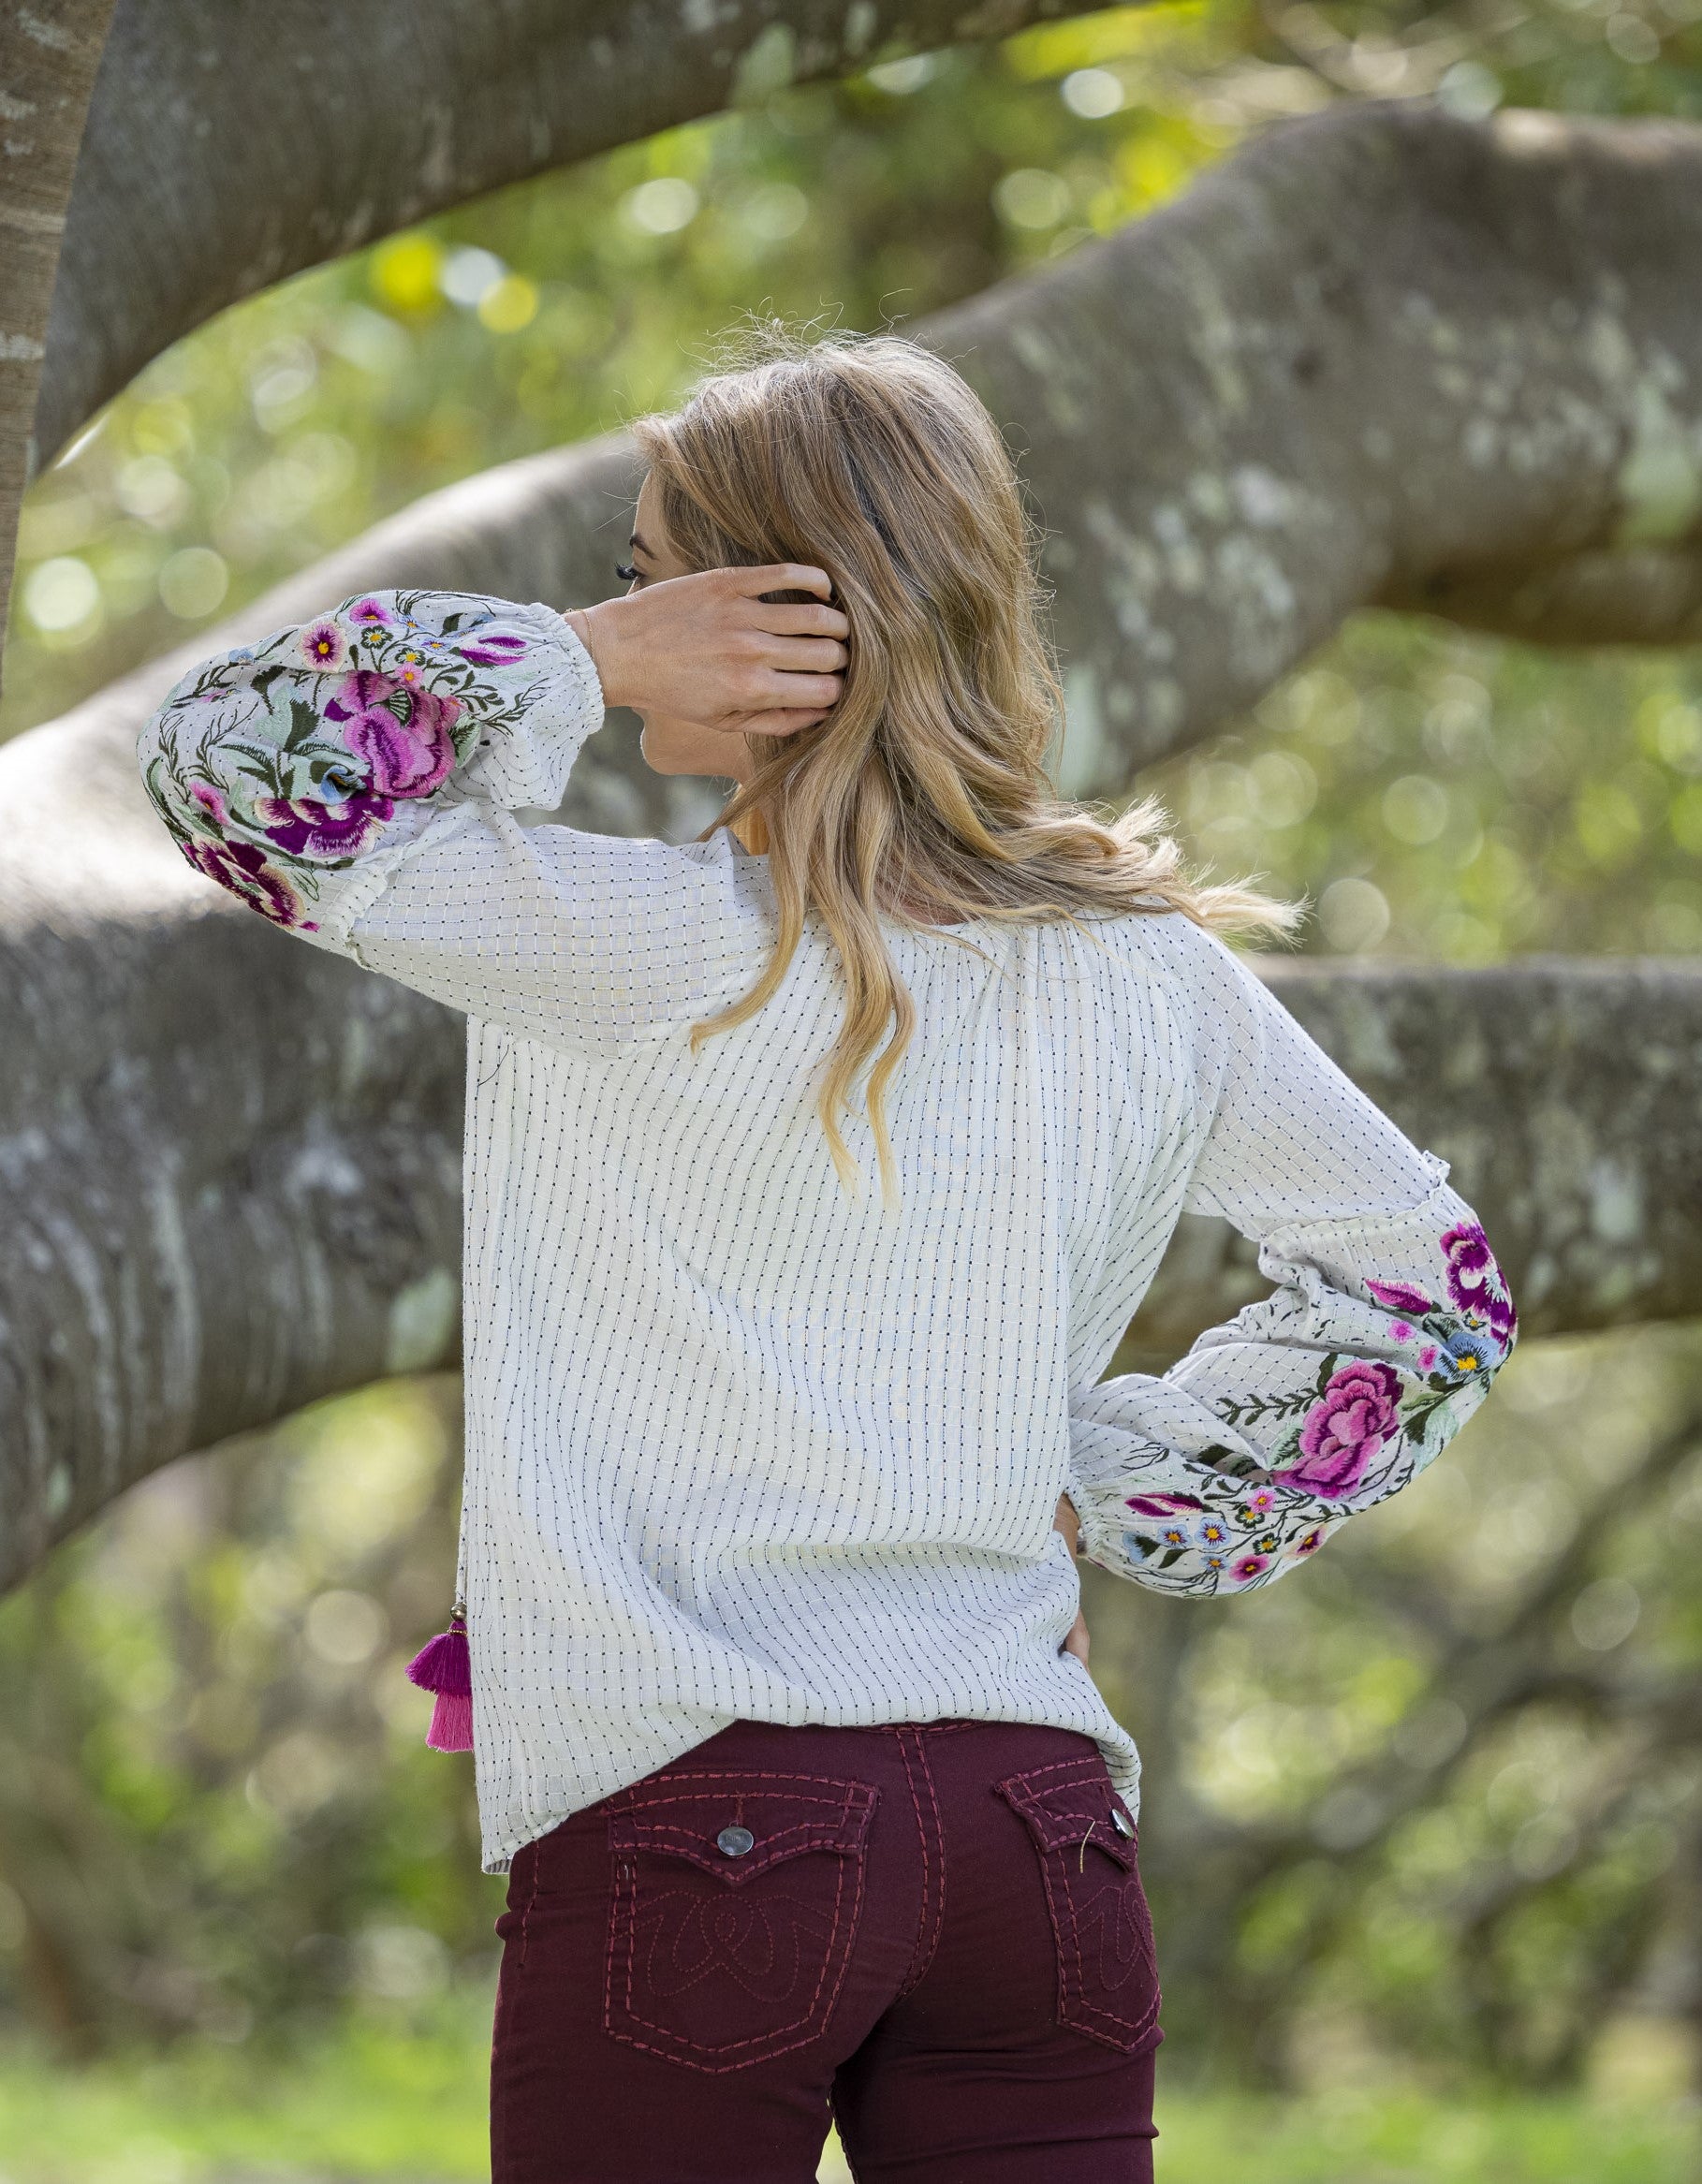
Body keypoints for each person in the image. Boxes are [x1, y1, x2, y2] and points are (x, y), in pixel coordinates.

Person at [136, 332, 1516, 2184]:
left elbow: (221, 764)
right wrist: (1112, 1491)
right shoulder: (1149, 975)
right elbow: (1433, 1292)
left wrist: (577, 658)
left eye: (648, 573)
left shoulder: (629, 942)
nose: (631, 625)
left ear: (771, 609)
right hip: (1039, 1834)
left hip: (700, 1825)